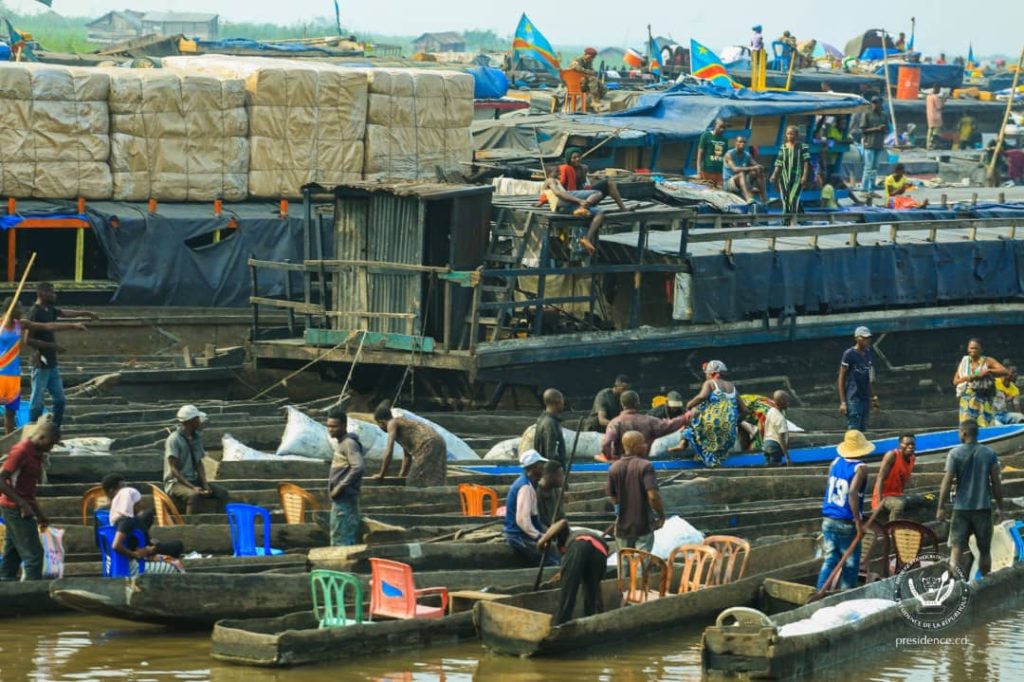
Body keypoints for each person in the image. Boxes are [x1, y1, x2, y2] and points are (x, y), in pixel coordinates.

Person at [0, 297, 87, 434]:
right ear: (11, 309)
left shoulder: (20, 324)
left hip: (13, 374)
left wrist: (72, 325)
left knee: (10, 413)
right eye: (19, 308)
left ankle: (9, 441)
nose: (22, 311)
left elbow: (47, 326)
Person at [25, 282, 99, 427]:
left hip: (52, 362)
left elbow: (65, 313)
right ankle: (31, 430)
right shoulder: (34, 312)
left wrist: (86, 313)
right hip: (40, 363)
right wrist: (52, 346)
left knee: (60, 400)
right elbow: (28, 339)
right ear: (42, 294)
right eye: (52, 292)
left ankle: (54, 429)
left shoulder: (49, 309)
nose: (55, 295)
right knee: (37, 403)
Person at [937, 420, 1004, 577]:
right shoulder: (989, 453)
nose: (959, 434)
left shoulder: (955, 453)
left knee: (956, 549)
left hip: (961, 509)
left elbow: (947, 481)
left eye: (959, 432)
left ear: (964, 433)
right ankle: (985, 581)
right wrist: (1000, 507)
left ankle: (953, 581)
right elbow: (996, 482)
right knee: (985, 551)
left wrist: (940, 507)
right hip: (983, 508)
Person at [0, 421, 60, 580]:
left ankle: (6, 584)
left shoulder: (37, 453)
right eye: (51, 443)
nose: (51, 448)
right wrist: (22, 504)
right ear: (41, 437)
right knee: (34, 555)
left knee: (12, 552)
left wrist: (39, 514)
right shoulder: (21, 451)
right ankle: (34, 592)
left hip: (23, 506)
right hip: (14, 507)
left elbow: (28, 491)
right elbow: (1, 479)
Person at [816, 430, 872, 590]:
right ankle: (846, 594)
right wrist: (858, 523)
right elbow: (852, 493)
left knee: (830, 559)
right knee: (851, 563)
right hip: (845, 522)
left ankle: (820, 591)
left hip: (828, 519)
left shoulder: (834, 462)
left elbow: (829, 485)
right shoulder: (860, 468)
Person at [557, 148, 631, 253]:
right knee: (598, 197)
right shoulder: (565, 169)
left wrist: (594, 178)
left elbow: (585, 184)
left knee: (610, 183)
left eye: (578, 157)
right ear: (569, 159)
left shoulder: (583, 168)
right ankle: (582, 208)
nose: (577, 159)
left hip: (587, 197)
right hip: (574, 199)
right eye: (574, 158)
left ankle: (622, 208)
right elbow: (561, 188)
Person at [102, 473, 184, 568]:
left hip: (134, 542)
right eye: (137, 503)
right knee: (177, 545)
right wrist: (136, 554)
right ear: (112, 491)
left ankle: (150, 544)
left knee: (147, 514)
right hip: (135, 553)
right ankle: (151, 547)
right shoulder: (125, 519)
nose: (141, 505)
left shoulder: (117, 514)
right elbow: (116, 545)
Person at [676, 360, 748, 468]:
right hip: (730, 433)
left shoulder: (710, 383)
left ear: (712, 373)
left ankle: (685, 445)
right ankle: (713, 457)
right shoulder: (732, 387)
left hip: (712, 427)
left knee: (692, 421)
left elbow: (702, 397)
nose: (706, 376)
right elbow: (745, 411)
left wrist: (689, 404)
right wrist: (735, 423)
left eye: (707, 374)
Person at [539, 518, 610, 625]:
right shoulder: (580, 534)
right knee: (592, 593)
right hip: (601, 551)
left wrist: (541, 542)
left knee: (568, 589)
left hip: (581, 546)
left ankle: (561, 624)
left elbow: (563, 522)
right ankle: (591, 622)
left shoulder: (571, 537)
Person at [163, 405, 230, 515]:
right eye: (197, 419)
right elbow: (174, 469)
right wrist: (193, 487)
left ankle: (220, 519)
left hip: (193, 479)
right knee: (193, 496)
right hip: (176, 483)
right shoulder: (174, 439)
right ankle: (191, 524)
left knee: (222, 493)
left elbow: (199, 463)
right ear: (191, 421)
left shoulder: (196, 437)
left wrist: (205, 484)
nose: (199, 421)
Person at [607, 431, 665, 553]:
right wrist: (661, 515)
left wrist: (619, 513)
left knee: (624, 561)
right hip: (643, 526)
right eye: (642, 443)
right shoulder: (645, 466)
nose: (645, 445)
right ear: (634, 446)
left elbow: (613, 497)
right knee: (641, 561)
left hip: (622, 527)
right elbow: (652, 496)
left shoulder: (614, 468)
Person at [373, 401, 448, 488]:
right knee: (434, 479)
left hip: (427, 443)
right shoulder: (403, 424)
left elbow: (389, 450)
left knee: (414, 480)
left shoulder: (392, 423)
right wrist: (401, 476)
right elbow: (407, 456)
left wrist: (381, 474)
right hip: (439, 441)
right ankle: (437, 494)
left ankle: (421, 496)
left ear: (381, 422)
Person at [599, 390, 688, 461]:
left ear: (621, 404)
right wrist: (686, 417)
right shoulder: (649, 420)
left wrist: (610, 458)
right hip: (642, 461)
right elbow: (669, 425)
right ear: (638, 403)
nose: (675, 409)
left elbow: (606, 443)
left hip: (620, 461)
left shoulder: (615, 423)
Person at [504, 449, 558, 566]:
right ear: (534, 468)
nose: (543, 468)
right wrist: (538, 536)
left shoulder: (528, 484)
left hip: (523, 535)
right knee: (552, 562)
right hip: (519, 537)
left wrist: (548, 532)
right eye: (541, 465)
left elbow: (534, 518)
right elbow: (522, 520)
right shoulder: (525, 487)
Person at [538, 165, 606, 256]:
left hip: (564, 209)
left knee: (600, 212)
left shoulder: (554, 182)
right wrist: (579, 201)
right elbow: (558, 193)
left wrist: (540, 203)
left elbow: (545, 197)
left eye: (559, 171)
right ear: (549, 174)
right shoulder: (550, 180)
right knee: (597, 193)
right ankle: (583, 208)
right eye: (556, 171)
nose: (559, 173)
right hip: (562, 202)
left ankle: (587, 238)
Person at [326, 405, 364, 546]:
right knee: (341, 535)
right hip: (342, 499)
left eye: (334, 426)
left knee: (341, 538)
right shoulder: (341, 443)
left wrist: (340, 487)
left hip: (345, 498)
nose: (331, 429)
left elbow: (358, 467)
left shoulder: (348, 444)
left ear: (344, 426)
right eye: (329, 426)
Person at [953, 338, 1007, 427]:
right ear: (968, 349)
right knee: (968, 427)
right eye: (971, 348)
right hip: (967, 400)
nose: (973, 350)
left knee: (985, 424)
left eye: (976, 348)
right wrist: (971, 377)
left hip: (984, 398)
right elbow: (955, 381)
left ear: (981, 350)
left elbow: (1004, 371)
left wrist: (988, 371)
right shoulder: (964, 362)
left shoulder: (987, 361)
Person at [837, 326, 880, 432]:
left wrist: (874, 397)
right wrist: (843, 402)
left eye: (868, 338)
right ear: (857, 338)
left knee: (863, 428)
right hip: (853, 397)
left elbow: (868, 379)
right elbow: (841, 378)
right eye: (864, 338)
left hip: (865, 397)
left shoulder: (868, 353)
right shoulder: (849, 354)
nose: (867, 340)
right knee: (854, 428)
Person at [871, 434, 917, 522]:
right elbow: (880, 478)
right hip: (884, 495)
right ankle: (892, 528)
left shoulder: (912, 458)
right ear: (900, 445)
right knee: (898, 505)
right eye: (907, 444)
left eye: (912, 444)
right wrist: (879, 502)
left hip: (898, 494)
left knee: (925, 499)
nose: (910, 447)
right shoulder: (892, 455)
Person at [770, 125, 811, 215]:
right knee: (785, 199)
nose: (789, 136)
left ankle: (793, 219)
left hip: (797, 178)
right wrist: (774, 175)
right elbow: (779, 163)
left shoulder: (803, 147)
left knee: (793, 198)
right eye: (788, 134)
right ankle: (787, 219)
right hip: (784, 178)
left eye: (791, 134)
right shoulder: (783, 147)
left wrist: (804, 176)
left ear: (796, 135)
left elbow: (806, 162)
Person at [723, 136, 767, 203]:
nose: (742, 143)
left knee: (757, 172)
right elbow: (735, 169)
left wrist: (760, 167)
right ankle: (748, 198)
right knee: (741, 173)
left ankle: (764, 198)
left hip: (742, 181)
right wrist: (752, 168)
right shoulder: (729, 154)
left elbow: (756, 165)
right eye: (740, 142)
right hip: (729, 183)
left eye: (744, 142)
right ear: (736, 143)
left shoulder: (747, 155)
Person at [859, 97, 889, 193]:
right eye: (873, 102)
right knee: (868, 166)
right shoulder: (867, 114)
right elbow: (863, 130)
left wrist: (884, 129)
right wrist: (877, 128)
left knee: (875, 166)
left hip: (879, 144)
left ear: (880, 104)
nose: (875, 104)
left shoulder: (884, 115)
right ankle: (864, 187)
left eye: (876, 103)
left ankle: (871, 186)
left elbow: (888, 130)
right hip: (869, 143)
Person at [533, 388, 567, 466]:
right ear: (558, 401)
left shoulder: (542, 420)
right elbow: (550, 454)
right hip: (551, 470)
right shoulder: (550, 424)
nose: (563, 403)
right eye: (562, 400)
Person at [537, 460, 566, 536]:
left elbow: (561, 516)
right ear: (550, 476)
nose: (563, 479)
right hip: (541, 534)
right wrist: (549, 532)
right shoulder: (535, 492)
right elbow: (537, 522)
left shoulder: (556, 491)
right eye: (560, 476)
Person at [763, 390, 791, 466]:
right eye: (787, 401)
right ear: (782, 402)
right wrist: (787, 458)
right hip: (775, 446)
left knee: (769, 467)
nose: (788, 403)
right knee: (775, 468)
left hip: (766, 445)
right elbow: (781, 439)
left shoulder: (771, 411)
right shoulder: (780, 418)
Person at [696, 119, 728, 187]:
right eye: (720, 127)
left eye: (724, 127)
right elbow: (699, 155)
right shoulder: (706, 136)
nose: (722, 129)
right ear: (715, 125)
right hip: (706, 172)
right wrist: (698, 172)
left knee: (719, 191)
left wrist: (725, 174)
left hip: (719, 174)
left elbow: (725, 158)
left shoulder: (725, 140)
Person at [925, 86, 944, 150]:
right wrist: (943, 101)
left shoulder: (928, 97)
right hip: (936, 116)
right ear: (937, 90)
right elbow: (939, 107)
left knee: (930, 131)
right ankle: (933, 145)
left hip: (930, 116)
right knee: (936, 133)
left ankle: (928, 145)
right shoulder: (935, 97)